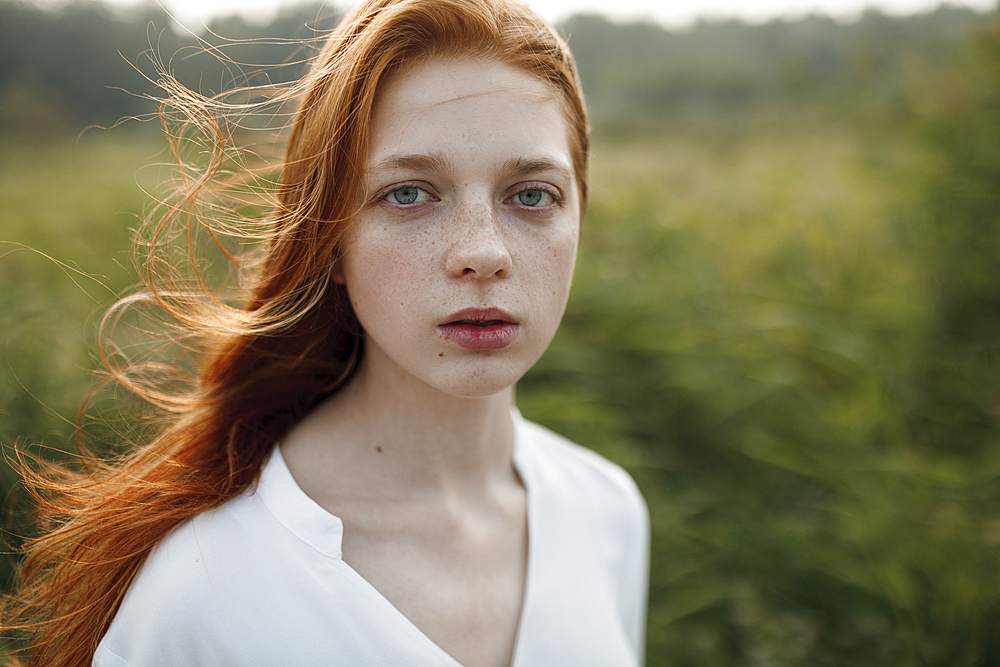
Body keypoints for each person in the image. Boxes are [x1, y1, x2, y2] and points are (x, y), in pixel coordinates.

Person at [3, 0, 649, 665]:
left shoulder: (604, 514)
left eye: (532, 195)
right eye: (408, 193)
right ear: (330, 239)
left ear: (579, 216)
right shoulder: (206, 590)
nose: (483, 252)